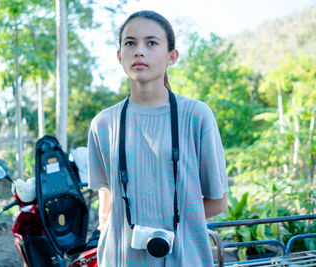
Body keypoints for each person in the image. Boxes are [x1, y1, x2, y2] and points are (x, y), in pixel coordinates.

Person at [88, 10, 228, 266]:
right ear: (119, 56)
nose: (139, 51)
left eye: (151, 43)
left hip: (183, 258)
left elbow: (218, 202)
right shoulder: (103, 124)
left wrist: (167, 224)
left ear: (171, 56)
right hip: (121, 259)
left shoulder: (196, 116)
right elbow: (107, 203)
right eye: (130, 43)